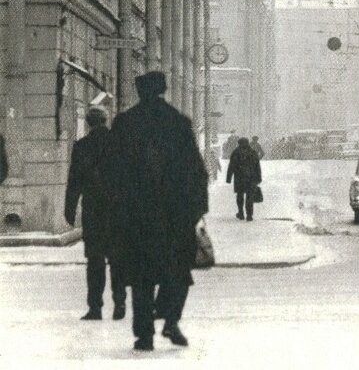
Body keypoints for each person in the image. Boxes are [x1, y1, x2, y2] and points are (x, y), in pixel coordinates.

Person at [104, 71, 208, 351]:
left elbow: (111, 172)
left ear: (140, 92)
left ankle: (144, 334)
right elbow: (196, 171)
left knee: (141, 277)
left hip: (136, 216)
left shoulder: (125, 123)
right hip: (175, 215)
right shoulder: (178, 123)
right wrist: (197, 209)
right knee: (178, 272)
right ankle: (171, 322)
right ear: (162, 89)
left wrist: (115, 210)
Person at [64, 106, 126, 321]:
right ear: (106, 121)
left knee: (95, 260)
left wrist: (69, 209)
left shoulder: (82, 146)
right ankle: (120, 302)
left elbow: (74, 181)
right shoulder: (119, 144)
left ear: (89, 123)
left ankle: (95, 308)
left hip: (93, 212)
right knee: (118, 259)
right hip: (117, 212)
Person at [226, 138, 262, 221]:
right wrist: (258, 178)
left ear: (239, 143)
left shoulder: (236, 152)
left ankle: (241, 213)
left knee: (240, 195)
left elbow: (231, 166)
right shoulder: (253, 152)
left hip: (239, 178)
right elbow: (257, 166)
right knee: (249, 197)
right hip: (251, 178)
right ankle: (249, 215)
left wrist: (229, 178)